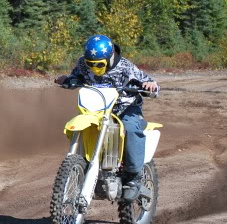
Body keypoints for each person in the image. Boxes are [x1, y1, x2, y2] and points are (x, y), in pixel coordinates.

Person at [55, 34, 159, 201]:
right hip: (97, 109)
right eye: (91, 64)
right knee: (85, 124)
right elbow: (77, 76)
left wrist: (150, 86)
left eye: (99, 64)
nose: (94, 68)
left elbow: (149, 83)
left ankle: (134, 177)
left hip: (125, 108)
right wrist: (68, 80)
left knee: (130, 128)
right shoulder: (83, 63)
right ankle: (82, 163)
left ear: (110, 58)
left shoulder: (126, 67)